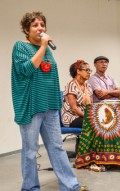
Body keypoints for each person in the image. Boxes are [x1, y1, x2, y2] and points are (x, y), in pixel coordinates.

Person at [11, 11, 88, 191]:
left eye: (42, 25)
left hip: (50, 107)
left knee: (57, 148)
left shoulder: (46, 51)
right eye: (35, 25)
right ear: (26, 29)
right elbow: (26, 70)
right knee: (30, 152)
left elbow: (51, 77)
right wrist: (43, 46)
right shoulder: (20, 46)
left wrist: (57, 103)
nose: (40, 28)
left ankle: (70, 185)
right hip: (31, 106)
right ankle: (30, 187)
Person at [62, 60, 93, 128]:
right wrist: (89, 117)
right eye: (86, 70)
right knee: (93, 124)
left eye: (90, 70)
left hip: (85, 116)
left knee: (102, 122)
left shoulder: (88, 86)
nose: (89, 72)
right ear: (78, 71)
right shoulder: (71, 85)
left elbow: (91, 106)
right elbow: (74, 109)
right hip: (71, 117)